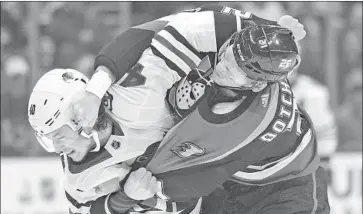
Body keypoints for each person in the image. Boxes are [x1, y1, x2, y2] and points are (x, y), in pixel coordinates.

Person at [28, 4, 329, 214]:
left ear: (257, 85)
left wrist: (127, 198)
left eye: (57, 131)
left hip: (288, 189)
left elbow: (186, 186)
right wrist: (95, 90)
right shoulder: (243, 56)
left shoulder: (247, 120)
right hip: (230, 182)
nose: (222, 67)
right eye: (225, 53)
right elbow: (150, 32)